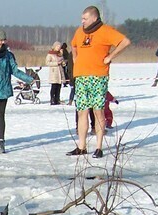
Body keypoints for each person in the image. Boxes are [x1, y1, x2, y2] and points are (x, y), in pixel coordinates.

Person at [67, 5, 131, 159]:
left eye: (85, 18)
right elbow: (73, 45)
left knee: (98, 111)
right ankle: (81, 147)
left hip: (98, 76)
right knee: (82, 111)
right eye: (82, 18)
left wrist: (110, 57)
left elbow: (125, 41)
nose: (82, 21)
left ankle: (99, 147)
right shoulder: (79, 31)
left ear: (94, 18)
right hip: (81, 76)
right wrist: (75, 58)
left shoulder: (106, 31)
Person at [0, 23, 34, 154]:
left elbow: (14, 70)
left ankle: (1, 142)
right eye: (0, 40)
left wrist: (28, 79)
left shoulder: (7, 55)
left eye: (3, 40)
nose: (2, 42)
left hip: (3, 90)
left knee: (1, 116)